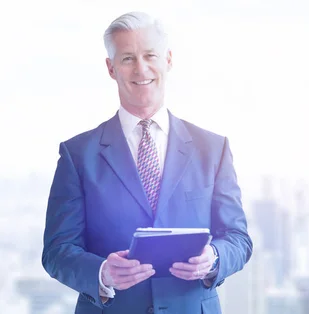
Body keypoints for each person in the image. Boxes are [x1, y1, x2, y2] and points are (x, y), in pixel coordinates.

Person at [41, 11, 253, 314]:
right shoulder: (78, 155)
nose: (141, 69)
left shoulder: (213, 149)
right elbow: (57, 251)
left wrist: (214, 258)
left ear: (168, 59)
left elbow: (238, 239)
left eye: (149, 55)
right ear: (111, 68)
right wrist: (102, 273)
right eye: (127, 58)